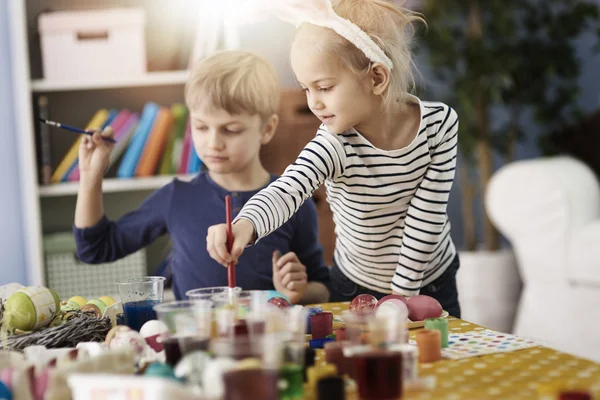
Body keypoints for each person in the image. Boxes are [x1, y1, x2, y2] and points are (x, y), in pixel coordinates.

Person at [205, 0, 461, 317]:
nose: (314, 103)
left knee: (444, 360)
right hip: (357, 285)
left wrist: (401, 295)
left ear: (377, 78)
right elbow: (288, 189)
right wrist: (246, 224)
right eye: (305, 90)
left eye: (324, 87)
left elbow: (427, 216)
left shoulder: (439, 126)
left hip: (431, 281)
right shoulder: (332, 143)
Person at [73, 50, 330, 304]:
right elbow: (95, 249)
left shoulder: (293, 201)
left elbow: (324, 287)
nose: (213, 143)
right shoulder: (177, 197)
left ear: (267, 129)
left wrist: (299, 292)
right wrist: (90, 175)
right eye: (201, 127)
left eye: (230, 130)